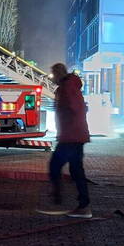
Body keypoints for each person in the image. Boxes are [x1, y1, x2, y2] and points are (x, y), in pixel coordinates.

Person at [39, 62, 91, 218]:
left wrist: (67, 119)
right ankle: (83, 206)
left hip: (70, 136)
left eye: (53, 74)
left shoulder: (66, 87)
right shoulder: (71, 85)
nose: (52, 78)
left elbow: (74, 107)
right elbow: (79, 107)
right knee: (76, 171)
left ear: (58, 73)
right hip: (76, 135)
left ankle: (57, 197)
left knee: (55, 166)